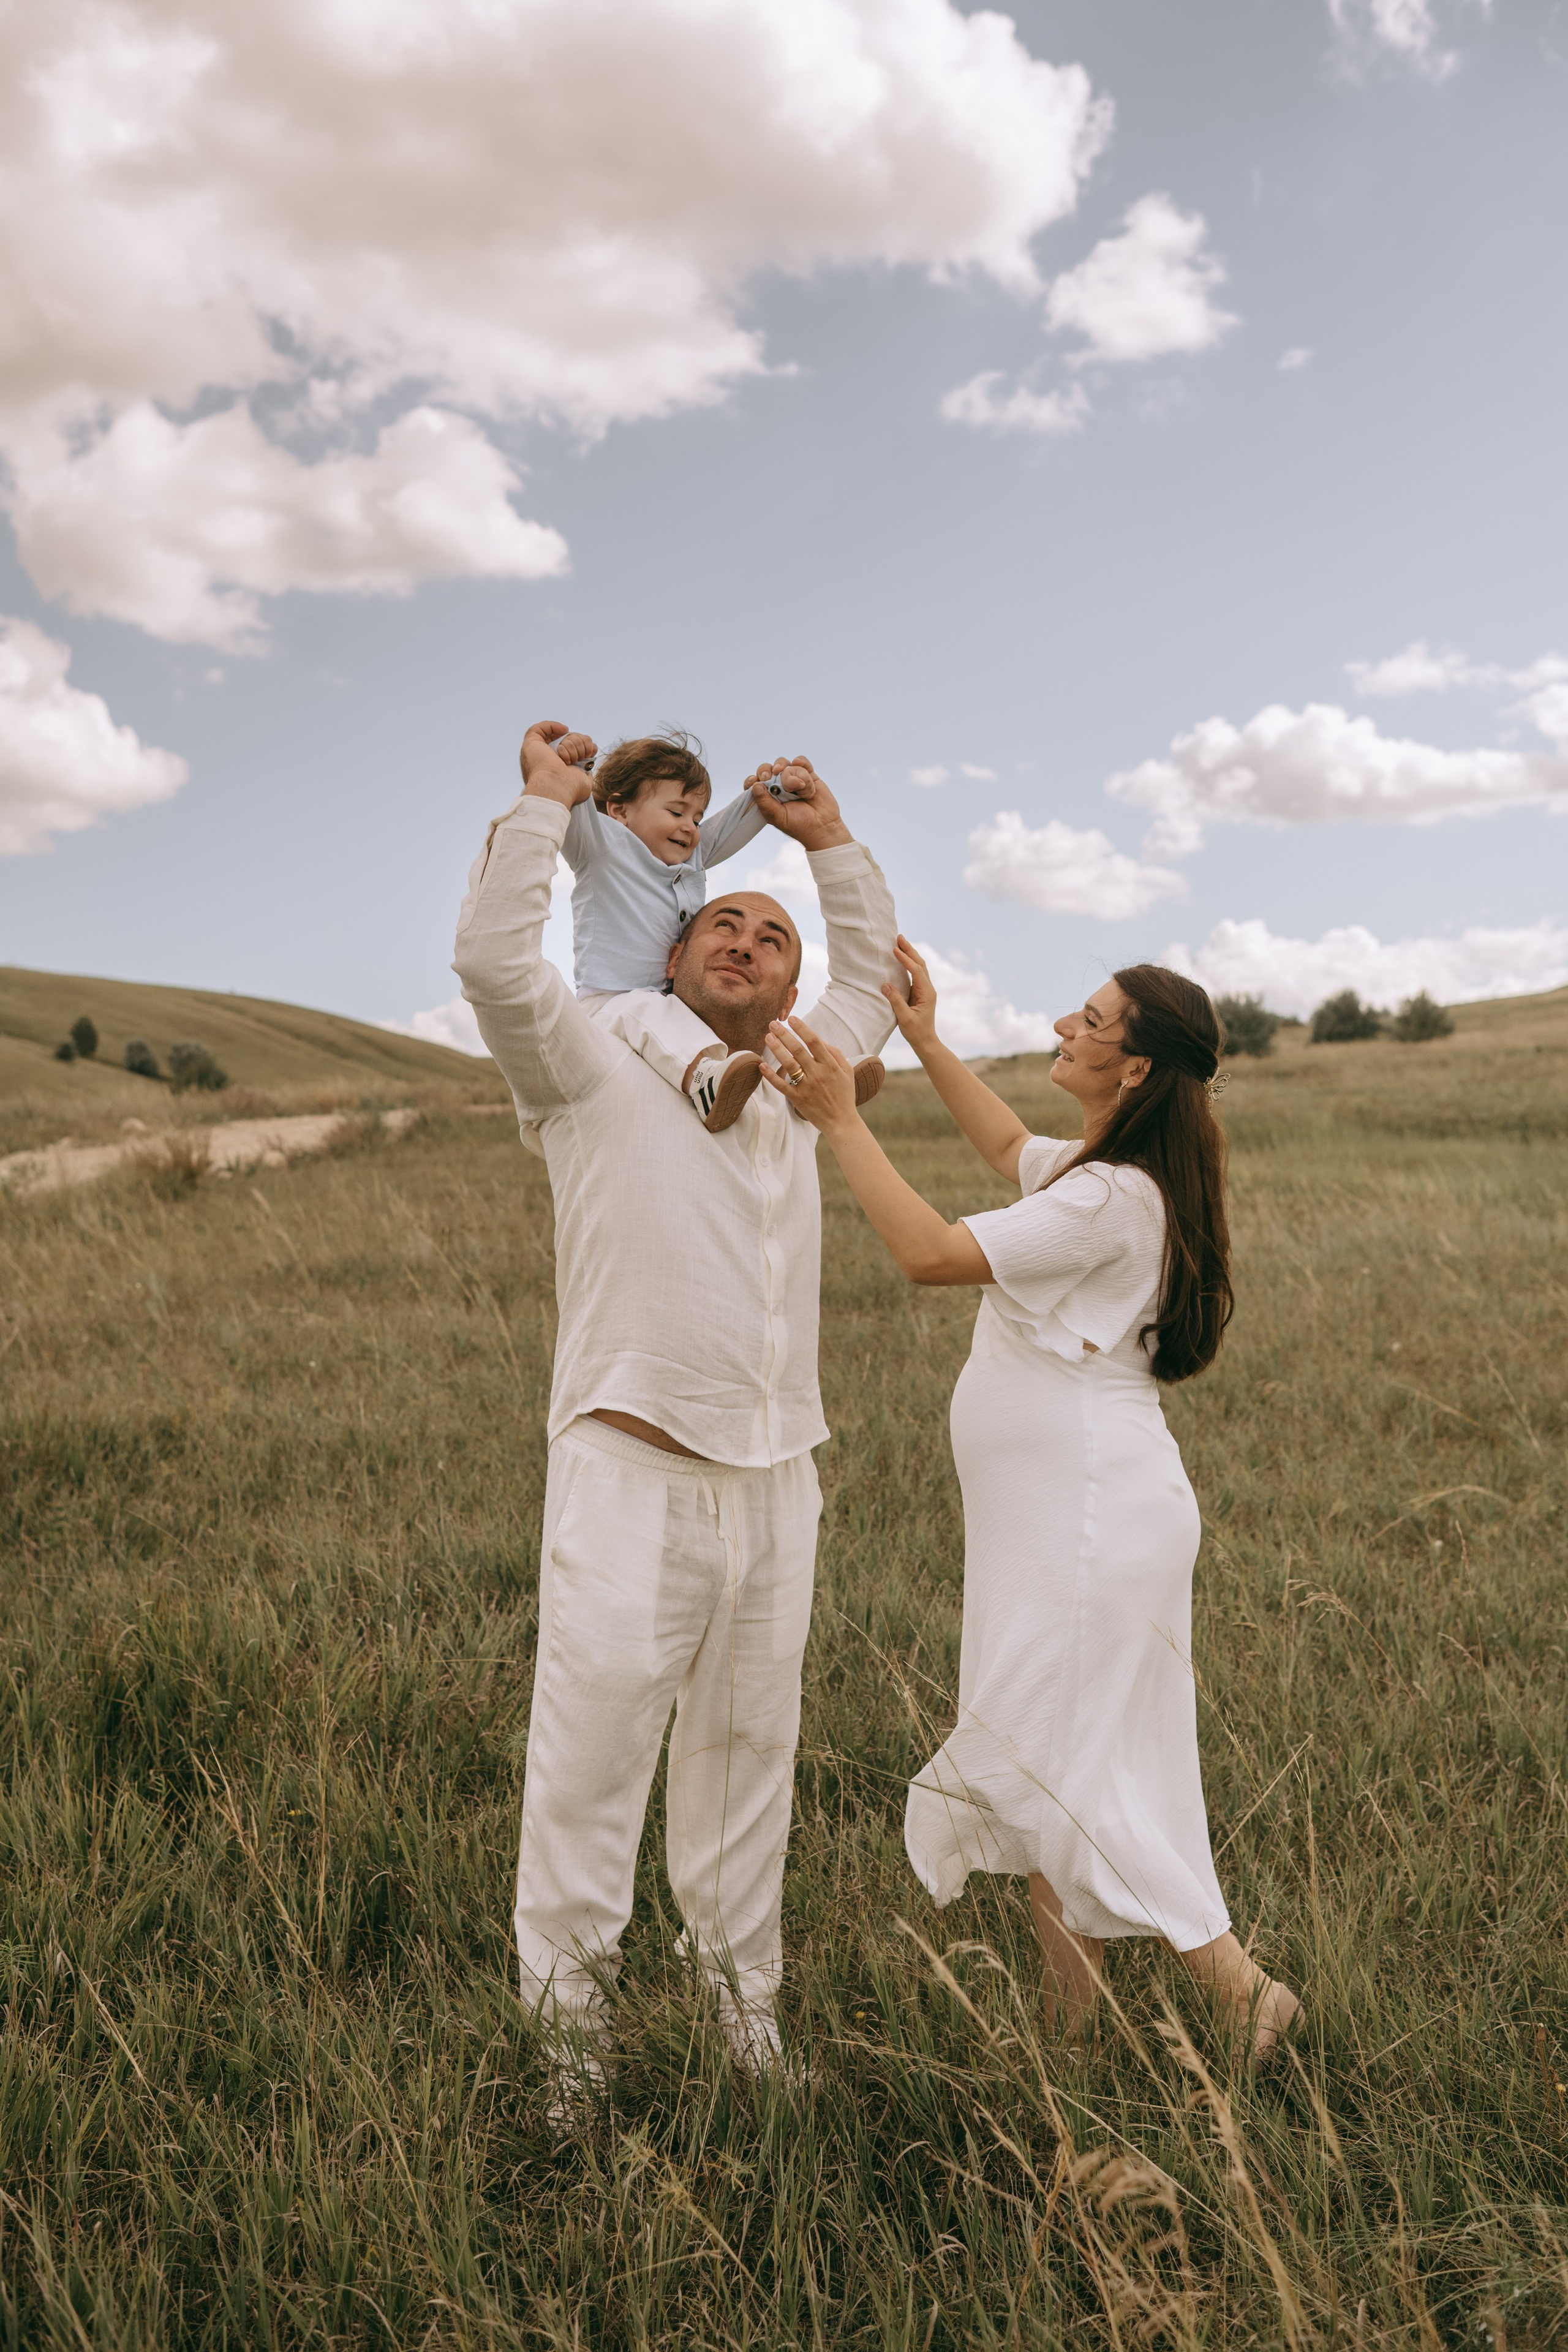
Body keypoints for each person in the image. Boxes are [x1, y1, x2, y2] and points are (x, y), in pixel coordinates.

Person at [450, 718, 903, 2100]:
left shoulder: (800, 1082)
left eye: (773, 938)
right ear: (664, 951)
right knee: (588, 1775)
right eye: (721, 923)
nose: (749, 944)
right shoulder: (586, 1063)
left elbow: (872, 973)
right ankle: (566, 2063)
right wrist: (540, 808)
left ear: (790, 988)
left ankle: (744, 2029)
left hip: (779, 1485)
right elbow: (488, 960)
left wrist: (825, 841)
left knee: (744, 1772)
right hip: (631, 1475)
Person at [761, 945, 1301, 2059]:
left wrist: (840, 1121)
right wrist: (923, 1041)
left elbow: (927, 1256)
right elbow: (1009, 1147)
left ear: (1135, 1067)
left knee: (1066, 1763)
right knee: (1055, 1753)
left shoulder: (1111, 1200)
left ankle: (1243, 1992)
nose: (1065, 1022)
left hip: (1089, 1515)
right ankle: (1073, 2034)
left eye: (1090, 1019)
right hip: (1072, 1514)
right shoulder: (1096, 1173)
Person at [551, 725, 883, 1131]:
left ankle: (821, 1078)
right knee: (656, 1019)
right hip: (611, 1001)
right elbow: (568, 802)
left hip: (671, 1000)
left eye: (696, 816)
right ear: (620, 810)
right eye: (676, 812)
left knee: (744, 1038)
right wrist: (569, 762)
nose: (691, 827)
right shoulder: (600, 846)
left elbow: (737, 820)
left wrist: (777, 788)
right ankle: (702, 1082)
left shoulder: (691, 856)